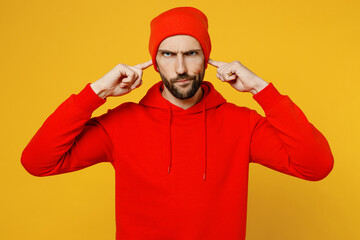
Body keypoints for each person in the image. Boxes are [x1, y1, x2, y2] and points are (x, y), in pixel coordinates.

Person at [21, 6, 334, 240]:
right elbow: (38, 161)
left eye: (192, 53)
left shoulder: (242, 125)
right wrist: (96, 92)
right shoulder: (121, 125)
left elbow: (316, 166)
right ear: (154, 61)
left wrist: (261, 90)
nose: (181, 68)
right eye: (168, 54)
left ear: (207, 58)